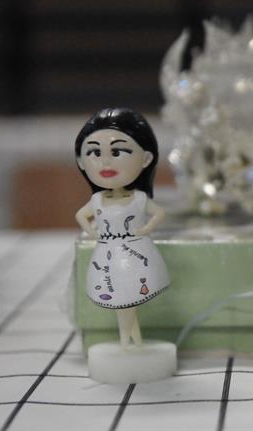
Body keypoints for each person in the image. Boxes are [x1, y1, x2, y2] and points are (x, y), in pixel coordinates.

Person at [74, 107, 170, 349]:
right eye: (94, 152)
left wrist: (145, 230)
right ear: (81, 161)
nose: (105, 161)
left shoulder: (139, 199)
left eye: (117, 152)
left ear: (146, 159)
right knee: (121, 299)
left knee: (129, 300)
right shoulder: (97, 200)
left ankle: (130, 342)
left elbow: (159, 213)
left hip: (135, 254)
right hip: (107, 257)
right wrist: (92, 232)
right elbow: (80, 215)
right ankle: (129, 342)